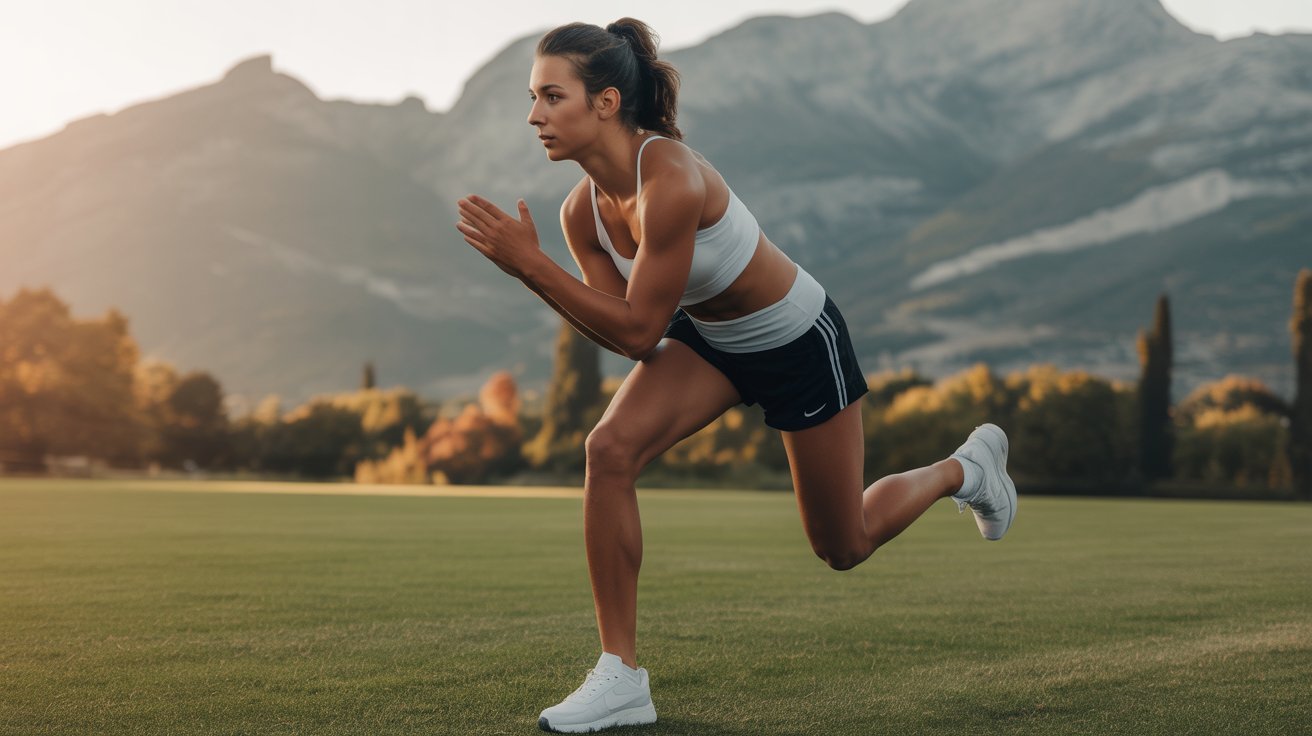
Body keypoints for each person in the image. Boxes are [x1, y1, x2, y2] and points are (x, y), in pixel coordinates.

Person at [455, 18, 1017, 734]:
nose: (533, 117)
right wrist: (539, 269)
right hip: (707, 340)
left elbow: (635, 327)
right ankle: (621, 676)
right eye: (531, 98)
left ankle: (963, 471)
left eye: (550, 97)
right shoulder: (581, 213)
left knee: (842, 546)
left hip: (796, 341)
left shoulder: (672, 179)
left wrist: (528, 266)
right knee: (608, 451)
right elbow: (621, 331)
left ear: (603, 103)